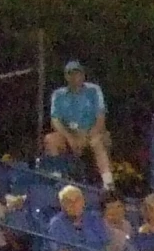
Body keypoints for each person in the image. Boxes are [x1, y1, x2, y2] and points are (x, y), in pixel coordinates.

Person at [45, 59, 115, 189]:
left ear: (83, 75)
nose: (74, 77)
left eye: (77, 73)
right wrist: (70, 137)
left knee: (97, 141)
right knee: (50, 139)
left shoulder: (94, 90)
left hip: (91, 132)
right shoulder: (58, 95)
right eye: (70, 74)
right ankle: (57, 179)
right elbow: (55, 120)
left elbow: (100, 118)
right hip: (69, 134)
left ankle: (108, 184)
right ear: (66, 77)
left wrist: (86, 136)